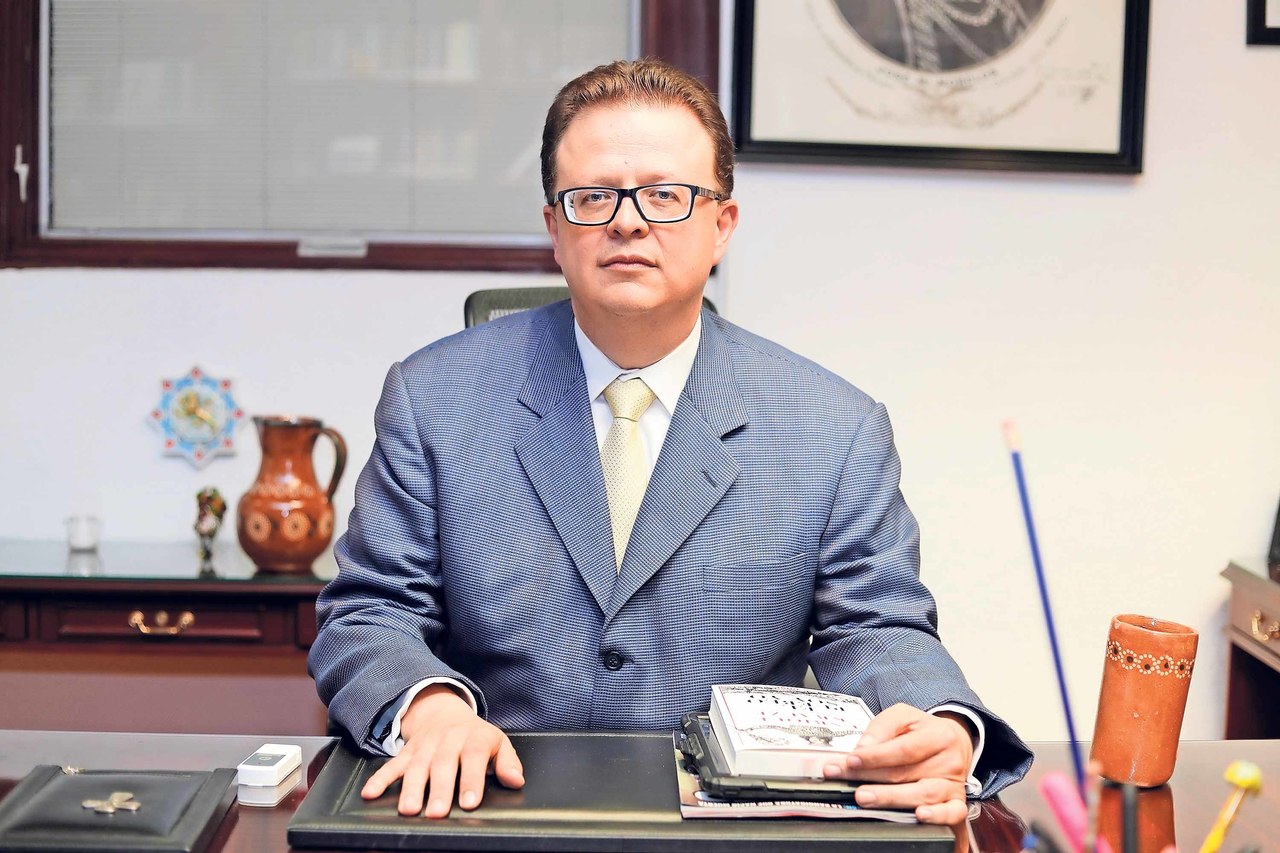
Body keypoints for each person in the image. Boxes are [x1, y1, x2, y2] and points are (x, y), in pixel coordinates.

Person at [309, 57, 1032, 826]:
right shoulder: (435, 398)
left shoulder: (834, 426)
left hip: (736, 825)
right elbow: (370, 613)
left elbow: (877, 627)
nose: (627, 221)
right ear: (554, 228)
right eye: (593, 196)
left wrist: (944, 724)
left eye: (665, 194)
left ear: (722, 225)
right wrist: (430, 709)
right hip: (490, 808)